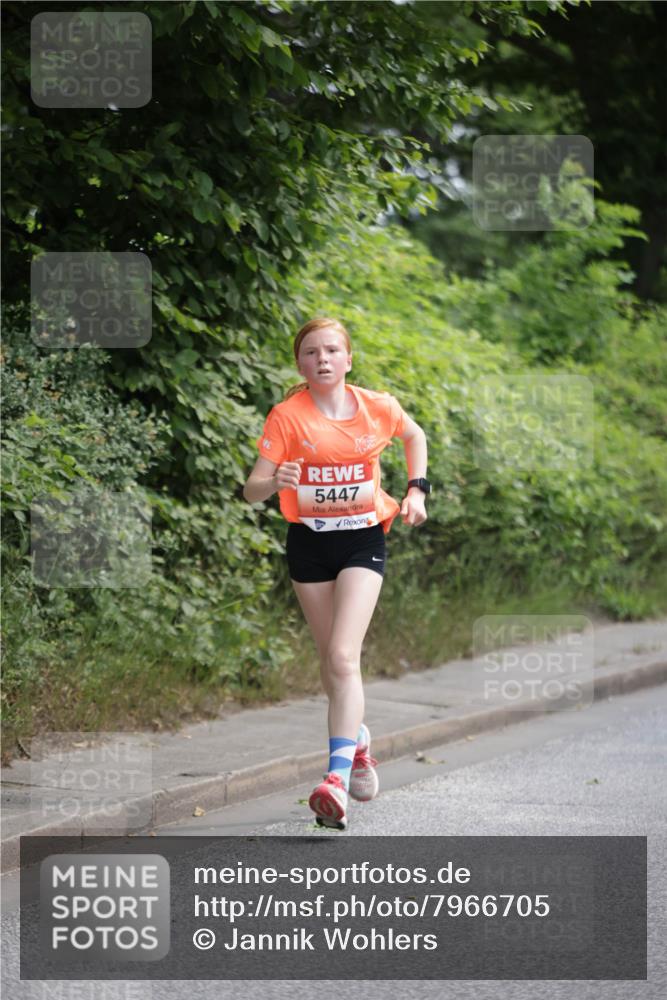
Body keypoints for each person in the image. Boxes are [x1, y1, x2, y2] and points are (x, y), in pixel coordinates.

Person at [243, 317, 430, 830]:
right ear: (299, 364)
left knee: (345, 656)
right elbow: (252, 490)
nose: (321, 359)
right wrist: (275, 481)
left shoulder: (378, 407)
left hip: (363, 540)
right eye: (310, 352)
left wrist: (416, 491)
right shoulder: (286, 417)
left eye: (331, 350)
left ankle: (335, 781)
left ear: (348, 359)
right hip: (308, 544)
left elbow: (414, 435)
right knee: (331, 663)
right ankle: (358, 741)